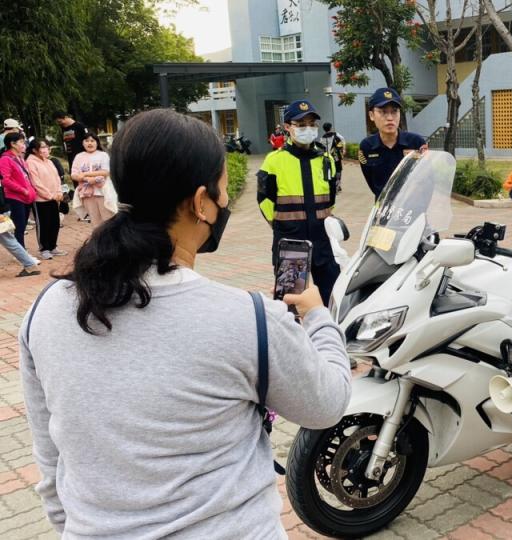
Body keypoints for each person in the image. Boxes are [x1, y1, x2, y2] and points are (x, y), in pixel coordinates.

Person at [20, 108, 351, 538]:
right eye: (222, 191)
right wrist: (317, 315)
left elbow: (51, 460)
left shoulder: (45, 309)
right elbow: (327, 403)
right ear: (200, 203)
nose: (226, 202)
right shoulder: (248, 319)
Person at [256, 99, 341, 306]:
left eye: (312, 124)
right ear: (287, 127)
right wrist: (279, 225)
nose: (308, 129)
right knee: (290, 302)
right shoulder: (274, 160)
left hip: (323, 241)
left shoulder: (325, 159)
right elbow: (264, 199)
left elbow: (331, 197)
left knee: (333, 297)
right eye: (301, 125)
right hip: (291, 241)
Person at [358, 87, 427, 199]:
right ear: (371, 115)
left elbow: (427, 179)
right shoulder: (367, 147)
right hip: (383, 209)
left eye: (394, 111)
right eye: (383, 112)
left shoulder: (416, 142)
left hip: (412, 208)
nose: (390, 118)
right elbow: (373, 184)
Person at [25, 139, 66, 259]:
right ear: (34, 150)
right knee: (43, 224)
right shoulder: (31, 162)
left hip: (54, 198)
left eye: (46, 146)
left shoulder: (49, 161)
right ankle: (44, 248)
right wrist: (50, 195)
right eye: (42, 147)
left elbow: (57, 178)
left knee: (55, 223)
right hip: (40, 200)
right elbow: (36, 183)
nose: (45, 149)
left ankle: (53, 247)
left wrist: (59, 192)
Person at [0, 170, 41, 277]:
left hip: (1, 212)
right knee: (10, 241)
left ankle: (30, 265)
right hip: (3, 210)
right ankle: (30, 265)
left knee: (9, 241)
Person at [0, 132, 37, 247]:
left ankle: (21, 250)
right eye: (21, 142)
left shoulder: (19, 158)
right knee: (19, 226)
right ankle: (21, 252)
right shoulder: (5, 159)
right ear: (13, 144)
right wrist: (22, 190)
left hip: (26, 197)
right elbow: (5, 180)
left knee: (23, 224)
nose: (24, 144)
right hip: (16, 197)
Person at [71, 132, 114, 226]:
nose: (89, 143)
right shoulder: (79, 156)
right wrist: (87, 179)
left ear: (97, 142)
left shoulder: (103, 155)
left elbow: (105, 172)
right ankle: (98, 240)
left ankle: (111, 240)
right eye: (86, 141)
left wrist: (85, 174)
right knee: (95, 222)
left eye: (92, 141)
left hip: (102, 192)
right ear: (82, 143)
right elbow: (73, 174)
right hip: (87, 193)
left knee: (108, 220)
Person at [319, 122, 345, 193]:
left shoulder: (322, 138)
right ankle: (337, 186)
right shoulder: (335, 135)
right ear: (330, 128)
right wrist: (343, 150)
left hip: (327, 157)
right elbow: (341, 143)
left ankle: (331, 186)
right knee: (338, 171)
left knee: (329, 171)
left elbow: (321, 148)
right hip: (335, 157)